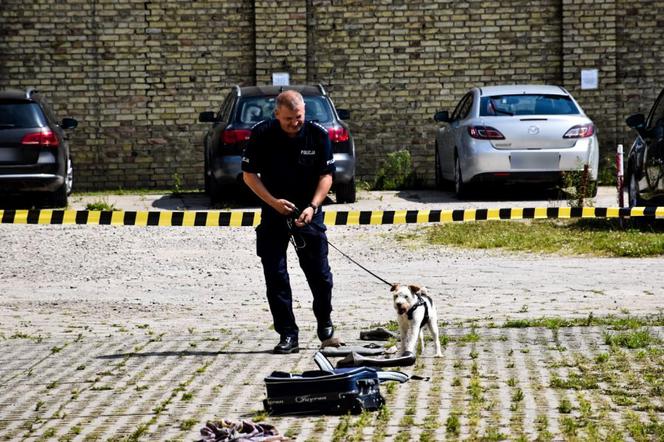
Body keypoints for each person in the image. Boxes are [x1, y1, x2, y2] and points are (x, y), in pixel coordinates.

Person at [242, 90, 336, 354]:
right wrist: (273, 202)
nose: (295, 123)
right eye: (288, 119)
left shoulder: (318, 134)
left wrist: (313, 206)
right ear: (276, 115)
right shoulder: (261, 134)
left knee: (320, 275)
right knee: (276, 276)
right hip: (274, 212)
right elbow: (249, 176)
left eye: (298, 117)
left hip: (308, 212)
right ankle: (287, 334)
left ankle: (324, 321)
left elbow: (327, 176)